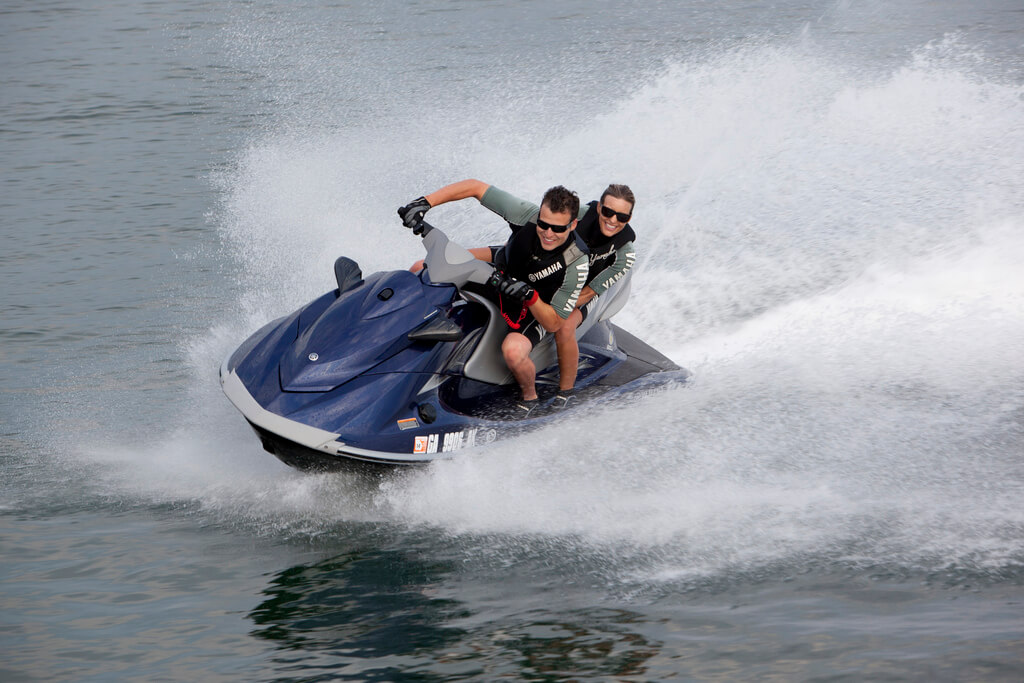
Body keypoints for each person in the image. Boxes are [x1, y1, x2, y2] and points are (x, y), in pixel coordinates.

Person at [401, 179, 637, 409]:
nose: (548, 233)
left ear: (572, 225)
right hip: (512, 268)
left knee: (561, 327)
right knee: (421, 266)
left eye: (622, 216)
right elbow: (475, 187)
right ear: (599, 208)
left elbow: (566, 310)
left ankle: (557, 393)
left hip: (551, 294)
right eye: (543, 225)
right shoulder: (537, 214)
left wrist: (534, 298)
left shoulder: (590, 261)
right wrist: (424, 203)